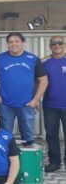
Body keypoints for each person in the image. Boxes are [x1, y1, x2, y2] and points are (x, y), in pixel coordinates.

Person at [0, 32, 48, 146]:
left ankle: (27, 162)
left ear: (23, 42)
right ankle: (7, 162)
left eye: (17, 41)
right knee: (5, 137)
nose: (14, 44)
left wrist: (35, 100)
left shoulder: (33, 59)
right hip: (5, 104)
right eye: (11, 42)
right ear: (7, 43)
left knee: (28, 138)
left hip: (27, 105)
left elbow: (43, 80)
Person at [42, 36, 66, 172]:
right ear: (50, 46)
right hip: (50, 106)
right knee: (51, 135)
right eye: (54, 43)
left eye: (60, 43)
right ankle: (55, 162)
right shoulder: (45, 63)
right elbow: (38, 82)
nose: (57, 45)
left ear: (64, 44)